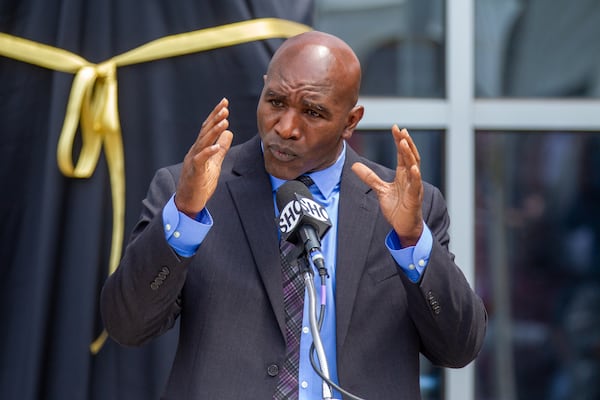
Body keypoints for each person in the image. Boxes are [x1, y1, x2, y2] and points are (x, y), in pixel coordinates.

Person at [101, 30, 487, 399]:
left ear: (351, 122)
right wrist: (184, 215)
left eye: (313, 112)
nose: (285, 128)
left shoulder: (403, 207)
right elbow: (127, 325)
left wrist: (410, 242)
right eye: (276, 102)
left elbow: (458, 348)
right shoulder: (192, 191)